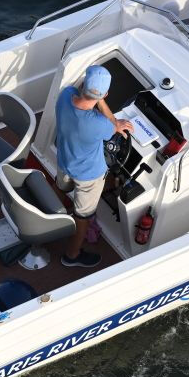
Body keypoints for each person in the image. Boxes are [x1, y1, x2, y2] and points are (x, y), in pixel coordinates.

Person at [55, 65, 133, 268]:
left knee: (64, 188)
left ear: (83, 85)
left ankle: (59, 212)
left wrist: (96, 96)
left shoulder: (65, 96)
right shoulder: (99, 124)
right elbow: (113, 124)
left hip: (64, 163)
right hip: (88, 177)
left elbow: (80, 95)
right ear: (105, 94)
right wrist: (113, 117)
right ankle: (72, 255)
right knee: (83, 216)